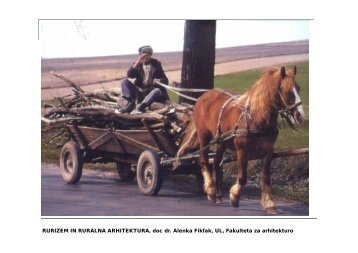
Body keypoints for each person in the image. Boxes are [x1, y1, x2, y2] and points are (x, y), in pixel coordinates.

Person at [117, 45, 169, 113]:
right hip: (139, 92)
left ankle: (142, 106)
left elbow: (166, 80)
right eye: (144, 54)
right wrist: (138, 63)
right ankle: (129, 103)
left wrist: (158, 81)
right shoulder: (137, 64)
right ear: (140, 54)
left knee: (157, 90)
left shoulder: (156, 64)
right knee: (124, 81)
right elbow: (129, 75)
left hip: (152, 91)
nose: (147, 56)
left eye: (149, 54)